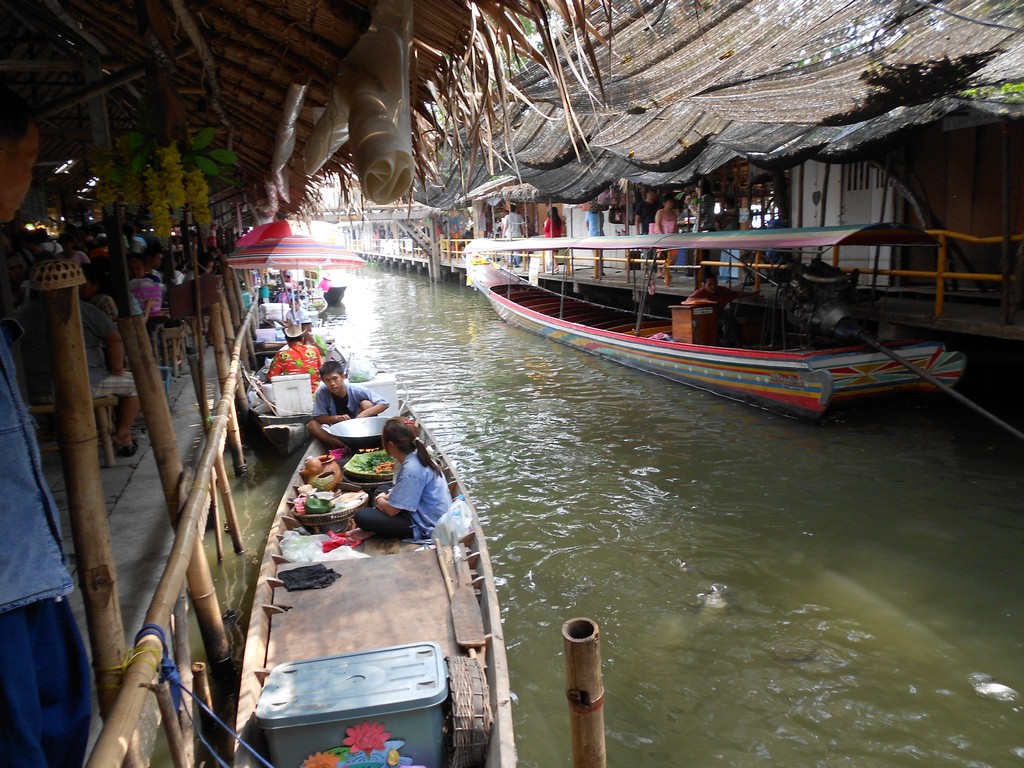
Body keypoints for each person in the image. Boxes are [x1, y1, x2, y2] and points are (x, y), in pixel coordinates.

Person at [0, 84, 92, 768]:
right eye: (27, 160)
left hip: (29, 570)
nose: (30, 179)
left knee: (56, 727)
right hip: (12, 583)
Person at [352, 418, 451, 540]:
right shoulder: (416, 455)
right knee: (382, 489)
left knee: (362, 516)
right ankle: (378, 526)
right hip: (422, 511)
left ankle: (377, 530)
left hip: (425, 525)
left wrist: (380, 499)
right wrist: (385, 496)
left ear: (390, 445)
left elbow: (391, 511)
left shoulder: (412, 469)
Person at [306, 359, 389, 448]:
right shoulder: (321, 392)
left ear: (343, 377)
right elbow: (319, 417)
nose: (332, 383)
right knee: (312, 425)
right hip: (338, 430)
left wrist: (363, 415)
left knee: (367, 404)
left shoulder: (356, 390)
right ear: (323, 381)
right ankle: (345, 446)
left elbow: (384, 403)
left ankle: (368, 441)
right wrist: (336, 418)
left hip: (361, 427)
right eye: (328, 380)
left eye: (335, 379)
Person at [267, 323, 323, 394]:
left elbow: (271, 377)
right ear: (302, 339)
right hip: (315, 392)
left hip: (293, 394)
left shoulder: (282, 354)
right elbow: (322, 371)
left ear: (286, 340)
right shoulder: (314, 350)